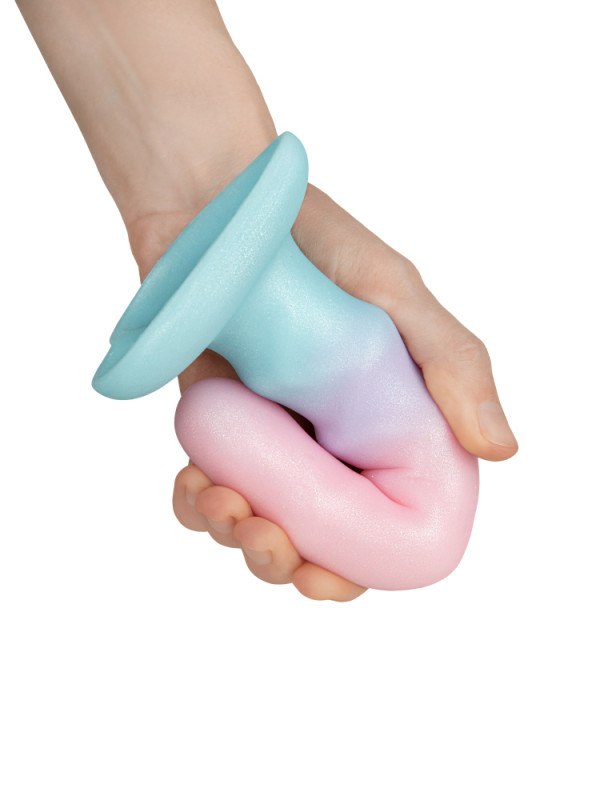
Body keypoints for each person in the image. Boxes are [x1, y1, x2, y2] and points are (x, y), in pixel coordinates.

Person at [16, 0, 518, 601]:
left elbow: (215, 417)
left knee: (211, 415)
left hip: (402, 497)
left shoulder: (423, 528)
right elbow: (215, 417)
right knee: (211, 415)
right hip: (390, 470)